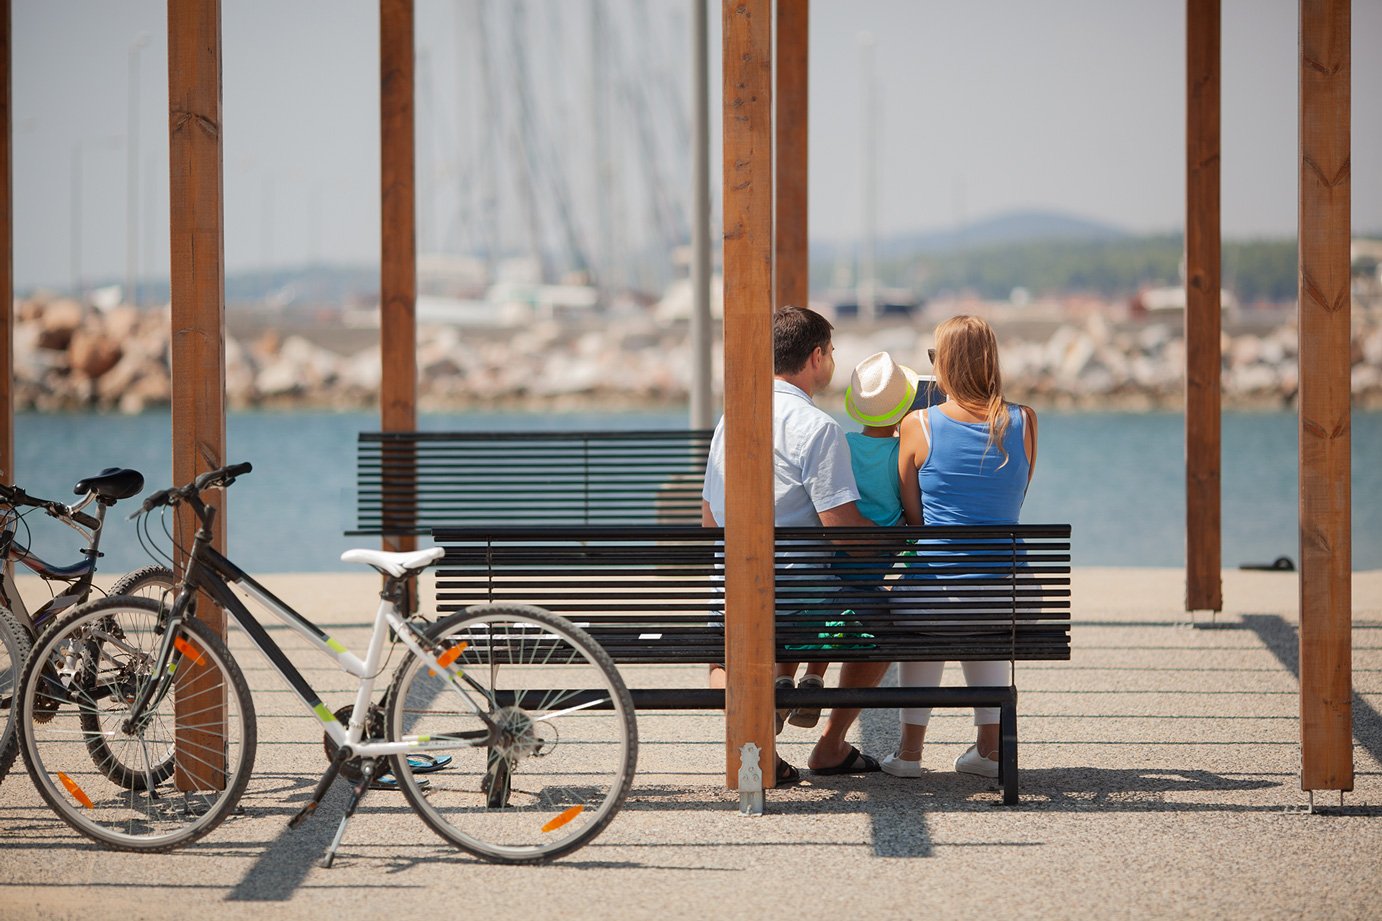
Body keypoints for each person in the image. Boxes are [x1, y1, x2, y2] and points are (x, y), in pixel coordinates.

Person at [701, 305, 886, 780]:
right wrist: (889, 542)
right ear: (817, 357)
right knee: (885, 619)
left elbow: (709, 520)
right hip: (796, 605)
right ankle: (832, 744)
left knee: (724, 651)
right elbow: (842, 529)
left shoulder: (730, 420)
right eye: (832, 353)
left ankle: (752, 746)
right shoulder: (818, 427)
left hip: (730, 599)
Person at [882, 315, 1039, 779]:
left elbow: (914, 517)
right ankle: (988, 751)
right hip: (1009, 598)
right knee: (979, 601)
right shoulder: (1025, 421)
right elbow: (1016, 498)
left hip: (935, 601)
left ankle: (910, 753)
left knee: (932, 599)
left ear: (944, 365)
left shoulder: (918, 424)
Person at [787, 350, 918, 730]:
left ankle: (804, 677)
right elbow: (911, 513)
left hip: (834, 557)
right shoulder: (901, 454)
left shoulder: (841, 442)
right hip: (875, 560)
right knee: (854, 611)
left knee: (824, 607)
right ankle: (818, 689)